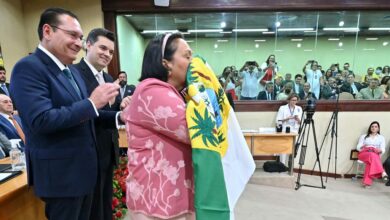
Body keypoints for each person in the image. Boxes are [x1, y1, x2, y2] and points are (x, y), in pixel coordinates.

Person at [10, 8, 120, 220]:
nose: (78, 43)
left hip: (85, 174)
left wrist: (119, 116)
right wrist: (91, 102)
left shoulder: (71, 72)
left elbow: (88, 115)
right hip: (62, 178)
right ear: (48, 31)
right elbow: (41, 120)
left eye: (80, 37)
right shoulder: (28, 68)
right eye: (72, 35)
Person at [122, 33, 195, 219]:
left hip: (166, 198)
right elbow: (197, 132)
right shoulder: (153, 91)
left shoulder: (167, 91)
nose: (193, 62)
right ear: (166, 63)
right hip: (157, 203)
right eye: (187, 56)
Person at [73, 28, 128, 220]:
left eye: (111, 52)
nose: (107, 54)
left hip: (108, 151)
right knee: (92, 211)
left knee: (105, 208)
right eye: (102, 48)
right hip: (87, 153)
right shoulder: (74, 74)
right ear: (88, 44)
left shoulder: (107, 78)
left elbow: (109, 112)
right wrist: (117, 116)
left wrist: (122, 107)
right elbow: (83, 111)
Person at [356, 121, 386, 188]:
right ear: (370, 128)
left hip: (375, 154)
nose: (373, 128)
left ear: (378, 128)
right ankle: (382, 171)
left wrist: (380, 150)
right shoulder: (364, 136)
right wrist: (364, 145)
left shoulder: (381, 138)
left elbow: (383, 149)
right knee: (372, 155)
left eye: (376, 127)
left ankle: (366, 183)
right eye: (372, 126)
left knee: (370, 161)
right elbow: (358, 147)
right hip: (364, 153)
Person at [276, 93, 302, 166]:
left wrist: (297, 119)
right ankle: (282, 165)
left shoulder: (299, 109)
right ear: (289, 100)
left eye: (295, 100)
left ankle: (289, 166)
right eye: (292, 100)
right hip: (284, 130)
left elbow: (301, 123)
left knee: (292, 149)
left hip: (294, 131)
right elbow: (278, 121)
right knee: (283, 148)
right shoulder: (282, 108)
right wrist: (287, 118)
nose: (294, 102)